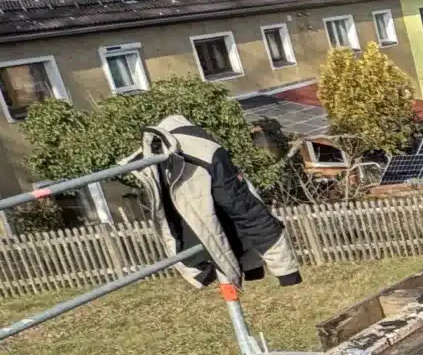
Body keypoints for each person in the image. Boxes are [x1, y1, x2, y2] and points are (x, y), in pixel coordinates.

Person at [127, 115, 300, 289]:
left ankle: (239, 278)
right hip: (203, 248)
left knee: (236, 205)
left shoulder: (203, 152)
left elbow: (246, 209)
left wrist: (283, 269)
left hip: (213, 247)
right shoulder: (150, 162)